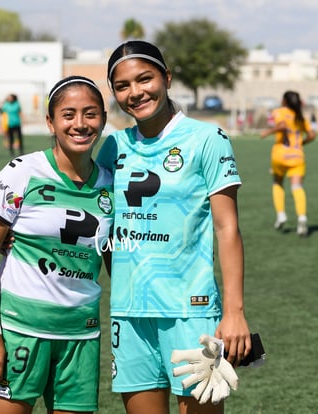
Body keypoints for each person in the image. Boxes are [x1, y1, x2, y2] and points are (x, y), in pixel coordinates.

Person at [96, 40, 251, 414]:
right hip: (130, 313)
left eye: (144, 79)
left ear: (166, 78)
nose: (135, 93)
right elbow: (98, 224)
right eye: (122, 86)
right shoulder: (112, 147)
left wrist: (234, 312)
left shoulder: (206, 139)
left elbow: (227, 227)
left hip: (192, 311)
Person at [0, 75, 114, 414]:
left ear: (103, 119)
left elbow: (115, 262)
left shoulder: (111, 183)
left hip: (81, 334)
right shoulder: (21, 172)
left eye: (90, 114)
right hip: (20, 330)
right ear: (51, 121)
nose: (80, 124)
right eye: (69, 114)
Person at [260, 90, 316, 236]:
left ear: (284, 101)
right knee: (297, 187)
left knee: (277, 183)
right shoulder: (300, 117)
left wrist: (267, 132)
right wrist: (302, 143)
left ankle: (281, 214)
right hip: (297, 155)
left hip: (280, 155)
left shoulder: (280, 111)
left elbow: (283, 125)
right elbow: (312, 135)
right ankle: (302, 218)